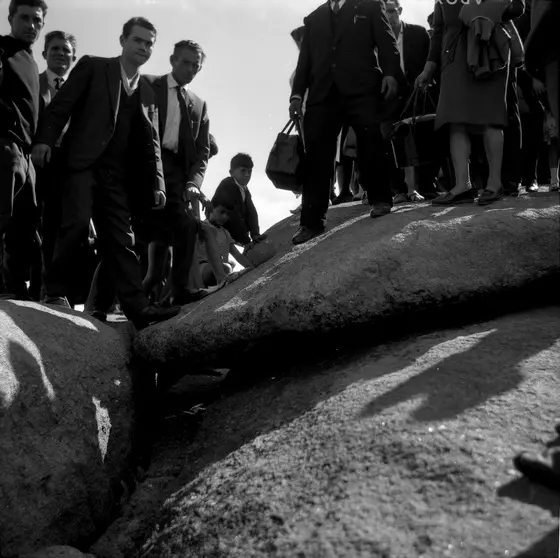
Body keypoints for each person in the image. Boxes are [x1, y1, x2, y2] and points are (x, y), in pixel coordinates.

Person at [32, 17, 181, 329]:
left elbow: (152, 143)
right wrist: (45, 139)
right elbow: (63, 103)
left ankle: (138, 308)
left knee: (121, 241)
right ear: (123, 41)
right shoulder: (94, 66)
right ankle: (54, 290)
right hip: (82, 165)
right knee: (75, 225)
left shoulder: (148, 93)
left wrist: (158, 182)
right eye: (138, 40)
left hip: (117, 178)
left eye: (149, 43)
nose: (144, 47)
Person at [289, 0, 403, 245]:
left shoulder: (370, 5)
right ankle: (311, 222)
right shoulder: (314, 18)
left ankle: (381, 199)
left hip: (362, 87)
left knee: (371, 140)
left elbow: (386, 41)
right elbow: (305, 60)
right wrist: (297, 94)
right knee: (316, 156)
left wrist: (391, 73)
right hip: (322, 94)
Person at [416, 0, 525, 207]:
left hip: (489, 47)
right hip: (453, 54)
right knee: (455, 119)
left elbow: (517, 7)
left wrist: (487, 12)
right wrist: (428, 69)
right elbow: (438, 31)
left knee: (492, 117)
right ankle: (462, 185)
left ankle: (494, 183)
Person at [140, 39, 211, 305]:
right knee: (131, 238)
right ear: (172, 60)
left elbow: (202, 152)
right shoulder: (147, 84)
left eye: (196, 65)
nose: (190, 68)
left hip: (176, 178)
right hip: (144, 169)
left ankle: (179, 291)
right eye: (185, 62)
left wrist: (194, 183)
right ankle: (100, 305)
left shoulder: (199, 104)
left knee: (187, 226)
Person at [0, 0, 47, 300]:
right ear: (10, 18)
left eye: (37, 20)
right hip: (4, 146)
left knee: (25, 230)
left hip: (27, 156)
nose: (31, 25)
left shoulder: (31, 61)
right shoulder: (2, 48)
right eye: (25, 17)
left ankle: (14, 292)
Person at [32, 30, 79, 302]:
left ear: (72, 57)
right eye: (55, 48)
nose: (61, 53)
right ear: (45, 53)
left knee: (58, 228)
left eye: (66, 50)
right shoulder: (34, 84)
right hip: (36, 163)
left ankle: (52, 290)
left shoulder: (77, 91)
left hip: (67, 167)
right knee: (29, 226)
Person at [212, 153, 266, 249]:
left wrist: (255, 233)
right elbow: (233, 214)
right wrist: (246, 241)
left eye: (250, 171)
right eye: (243, 171)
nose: (247, 175)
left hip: (230, 233)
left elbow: (251, 212)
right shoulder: (228, 185)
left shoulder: (244, 189)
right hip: (216, 230)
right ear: (231, 172)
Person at [198, 198, 254, 288]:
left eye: (228, 214)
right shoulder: (202, 227)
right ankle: (226, 279)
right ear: (210, 210)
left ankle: (226, 277)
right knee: (226, 267)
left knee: (231, 264)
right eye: (222, 212)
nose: (225, 217)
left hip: (219, 267)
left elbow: (237, 254)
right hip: (202, 268)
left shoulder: (225, 233)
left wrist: (250, 267)